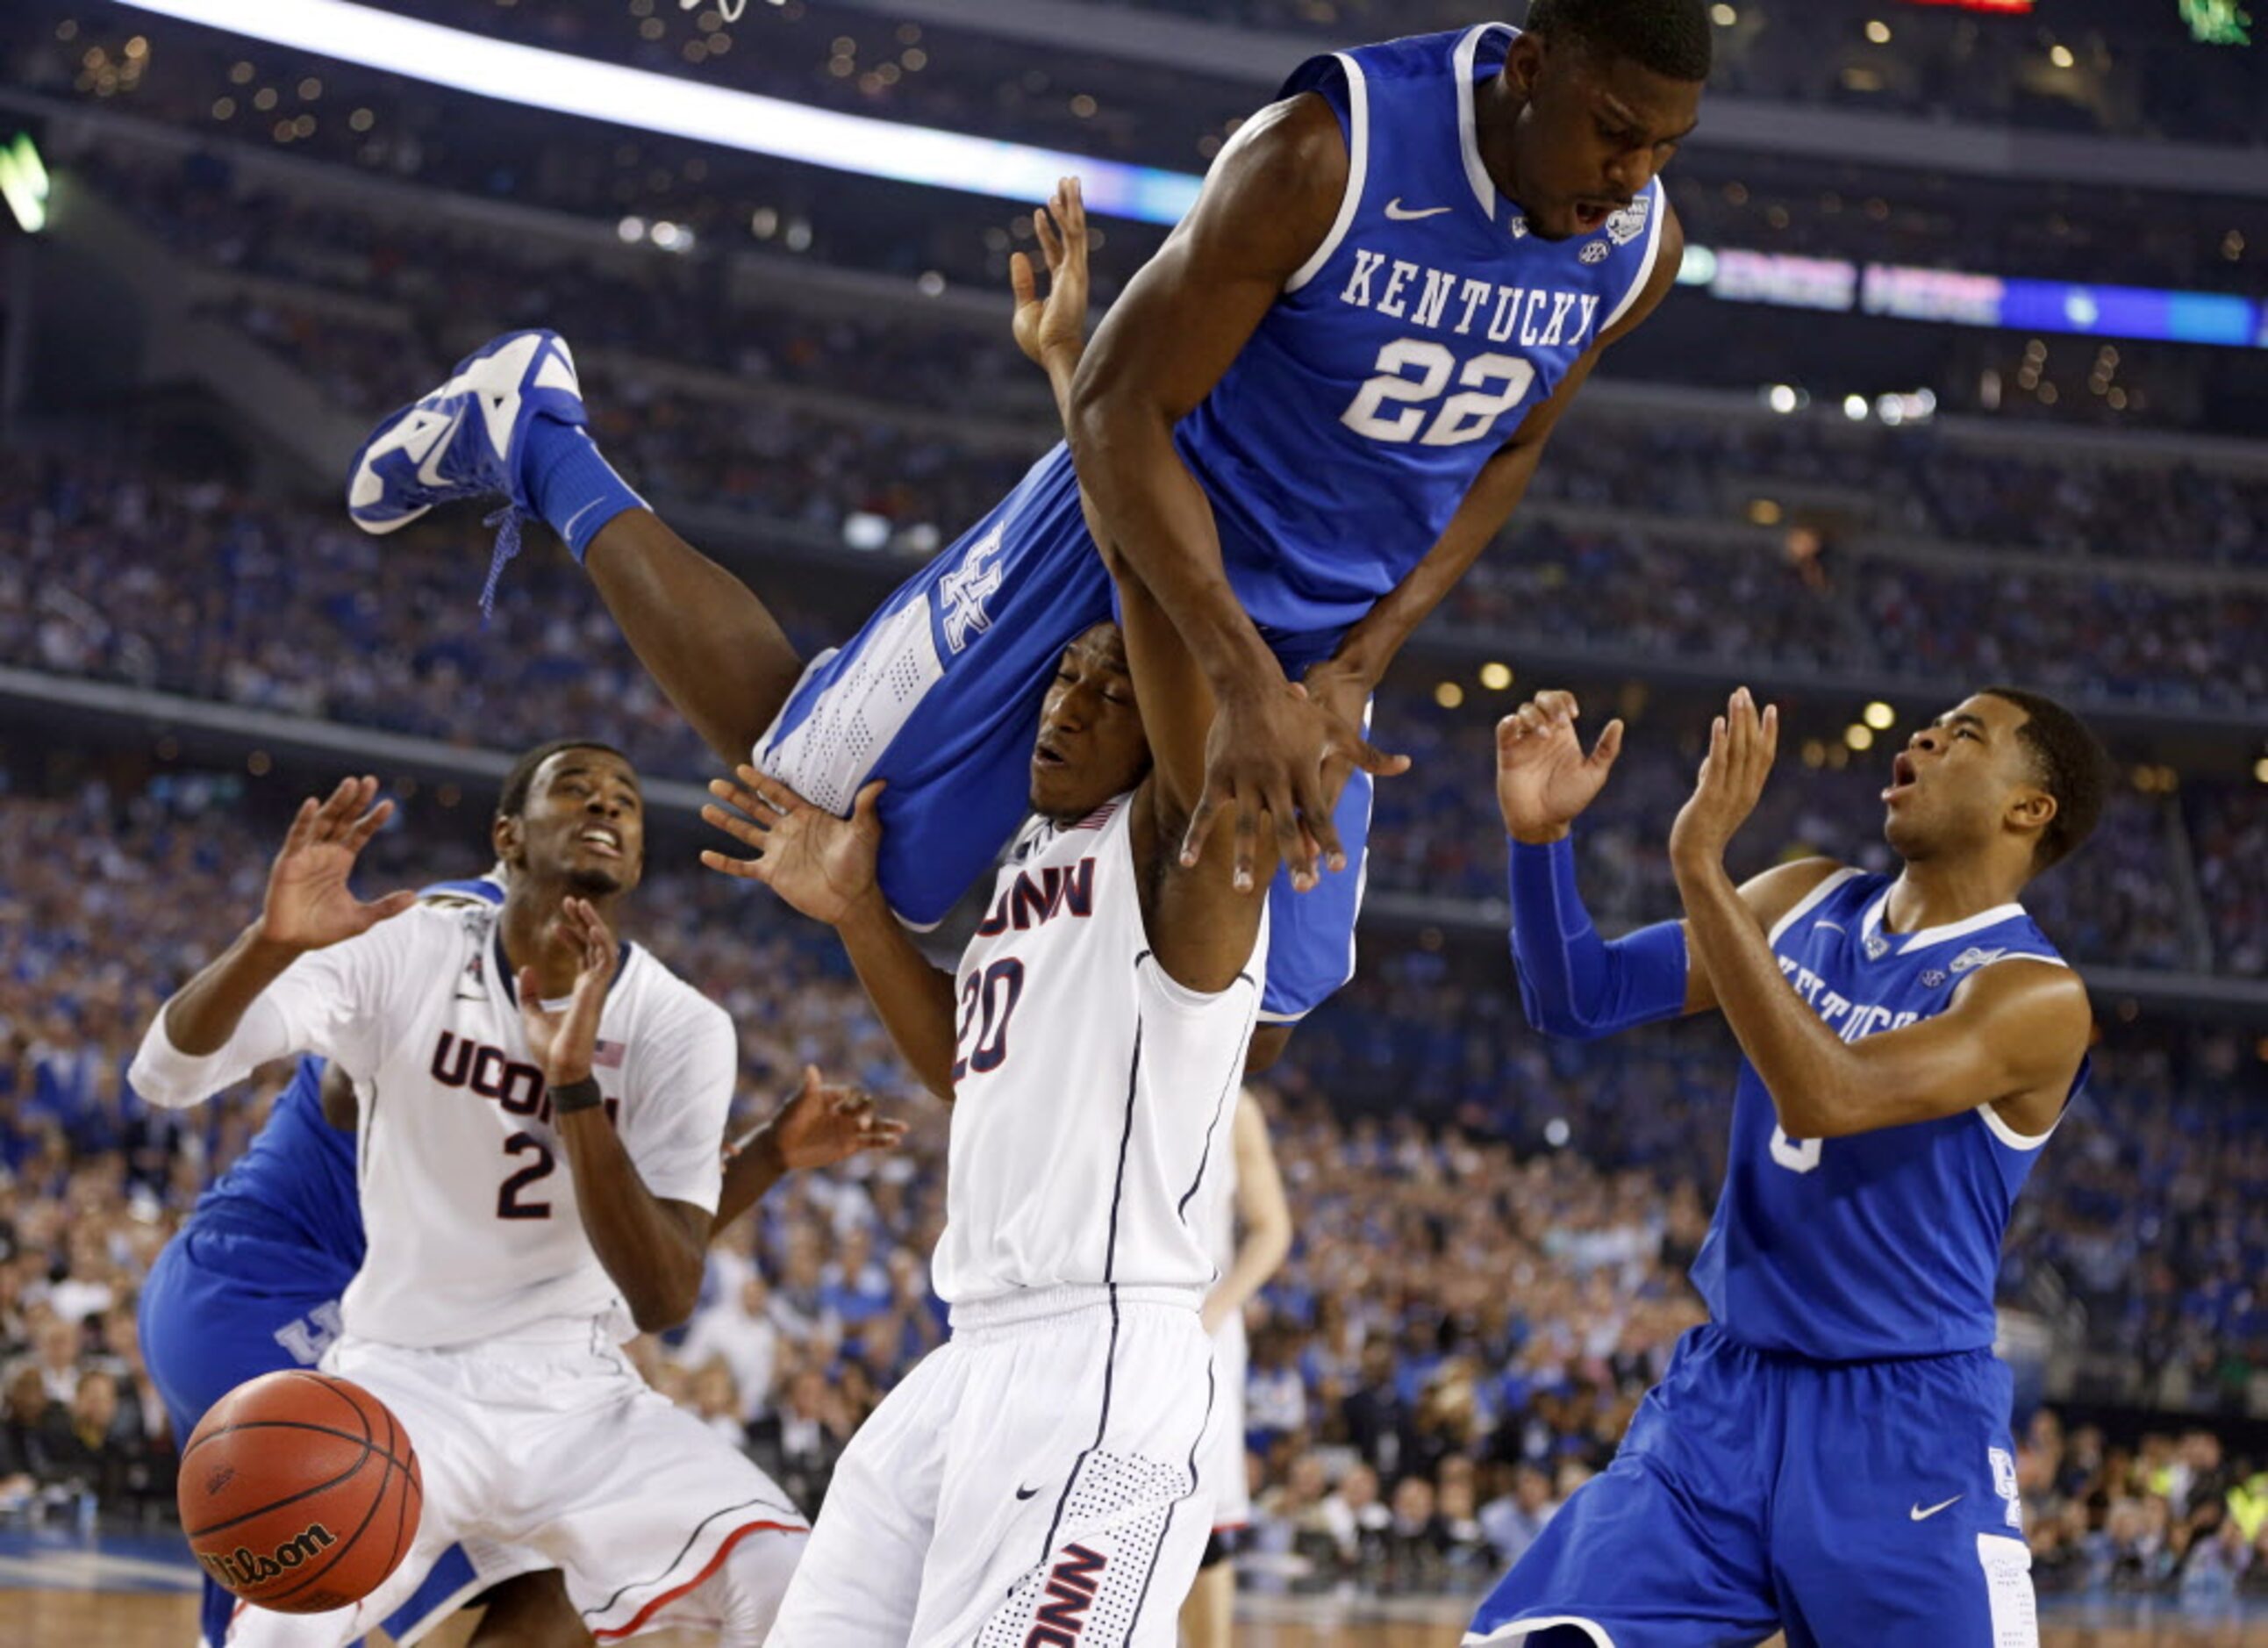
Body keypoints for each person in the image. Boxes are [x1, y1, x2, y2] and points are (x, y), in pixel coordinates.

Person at [342, 0, 1710, 1046]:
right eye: (1612, 130)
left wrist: (1361, 661)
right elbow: (1119, 407)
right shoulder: (1326, 153)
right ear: (1530, 68)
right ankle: (538, 434)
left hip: (1312, 637)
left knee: (1268, 1006)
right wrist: (1233, 671)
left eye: (1662, 145)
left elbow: (1509, 447)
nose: (1631, 171)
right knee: (818, 802)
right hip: (1134, 544)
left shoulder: (1634, 243)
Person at [690, 184, 1270, 1644]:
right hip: (974, 1350)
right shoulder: (1027, 863)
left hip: (1104, 1362)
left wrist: (1082, 382)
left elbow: (1152, 575)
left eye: (1110, 691)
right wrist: (855, 913)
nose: (1070, 699)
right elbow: (965, 1067)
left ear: (1169, 740)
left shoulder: (1184, 864)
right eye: (1062, 680)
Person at [125, 744, 876, 1647]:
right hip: (343, 1328)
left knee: (790, 1587)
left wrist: (606, 1101)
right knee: (293, 1597)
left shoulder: (680, 1025)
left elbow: (656, 1281)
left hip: (573, 1396)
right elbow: (170, 1075)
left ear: (637, 856)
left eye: (625, 798)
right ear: (507, 840)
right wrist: (270, 945)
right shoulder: (411, 940)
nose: (604, 803)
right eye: (575, 788)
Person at [1466, 684, 2110, 1646]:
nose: (1924, 735)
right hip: (1724, 1398)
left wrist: (1698, 864)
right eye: (1932, 724)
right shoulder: (1804, 894)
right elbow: (1581, 997)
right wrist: (1537, 841)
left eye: (1965, 736)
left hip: (1900, 1426)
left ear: (2028, 810)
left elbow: (1831, 1093)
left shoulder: (2030, 993)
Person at [1182, 1089, 1293, 1648]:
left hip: (1200, 1327)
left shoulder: (1237, 1104)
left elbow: (1272, 1227)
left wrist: (1219, 1308)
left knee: (1204, 1523)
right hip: (1104, 1318)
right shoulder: (1099, 1064)